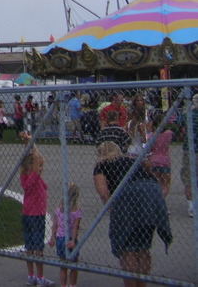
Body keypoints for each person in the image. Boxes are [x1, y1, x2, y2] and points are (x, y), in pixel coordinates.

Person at [93, 141, 172, 287]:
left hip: (128, 196)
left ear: (100, 154)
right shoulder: (131, 160)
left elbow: (103, 193)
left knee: (127, 247)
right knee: (142, 245)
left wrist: (113, 209)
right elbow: (151, 173)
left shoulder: (102, 165)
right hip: (151, 195)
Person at [20, 144, 52, 286]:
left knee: (30, 247)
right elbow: (38, 159)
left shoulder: (26, 177)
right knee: (38, 247)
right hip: (36, 215)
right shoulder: (33, 177)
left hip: (27, 214)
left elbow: (38, 159)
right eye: (39, 166)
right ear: (32, 167)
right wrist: (32, 144)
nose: (41, 168)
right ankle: (39, 277)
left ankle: (31, 275)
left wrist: (31, 145)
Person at [48, 182, 81, 287]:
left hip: (60, 238)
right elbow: (75, 227)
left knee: (63, 265)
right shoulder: (76, 211)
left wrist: (53, 237)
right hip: (70, 238)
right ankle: (72, 284)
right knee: (74, 264)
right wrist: (73, 240)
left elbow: (55, 225)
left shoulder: (59, 209)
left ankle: (63, 285)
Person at [147, 110, 172, 197]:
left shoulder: (151, 135)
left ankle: (155, 201)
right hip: (165, 160)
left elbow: (149, 148)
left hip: (154, 160)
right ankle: (162, 199)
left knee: (156, 183)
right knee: (165, 184)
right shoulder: (168, 134)